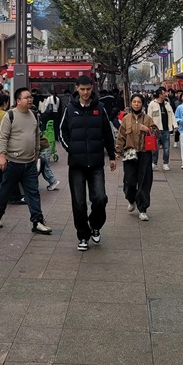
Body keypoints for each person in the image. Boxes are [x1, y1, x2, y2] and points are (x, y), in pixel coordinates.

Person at [59, 74, 116, 251]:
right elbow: (62, 132)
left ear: (92, 89)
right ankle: (83, 235)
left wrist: (112, 156)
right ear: (77, 88)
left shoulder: (100, 108)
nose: (85, 92)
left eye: (88, 89)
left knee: (100, 198)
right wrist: (71, 149)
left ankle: (95, 225)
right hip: (76, 164)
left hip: (96, 163)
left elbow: (107, 133)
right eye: (82, 89)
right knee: (79, 202)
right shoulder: (69, 108)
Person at [0, 87, 52, 235]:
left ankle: (37, 221)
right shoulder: (10, 116)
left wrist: (36, 153)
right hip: (13, 162)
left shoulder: (34, 115)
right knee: (5, 190)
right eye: (26, 97)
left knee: (33, 192)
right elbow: (3, 137)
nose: (30, 99)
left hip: (29, 163)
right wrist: (2, 156)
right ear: (18, 101)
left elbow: (36, 136)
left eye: (30, 97)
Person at [115, 93, 156, 220]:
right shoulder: (126, 119)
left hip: (144, 154)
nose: (136, 104)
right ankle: (131, 199)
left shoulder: (148, 119)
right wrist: (118, 151)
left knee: (144, 181)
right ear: (131, 103)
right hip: (130, 154)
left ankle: (142, 209)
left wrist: (148, 129)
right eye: (134, 102)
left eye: (139, 102)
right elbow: (121, 136)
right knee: (129, 181)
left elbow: (156, 133)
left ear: (142, 104)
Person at [147, 89, 175, 171]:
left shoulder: (167, 104)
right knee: (154, 148)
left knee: (166, 148)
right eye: (164, 93)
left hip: (166, 129)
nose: (165, 94)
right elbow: (149, 116)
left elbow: (172, 115)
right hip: (156, 130)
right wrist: (150, 127)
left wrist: (175, 125)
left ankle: (165, 163)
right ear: (160, 95)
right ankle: (154, 163)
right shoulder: (152, 104)